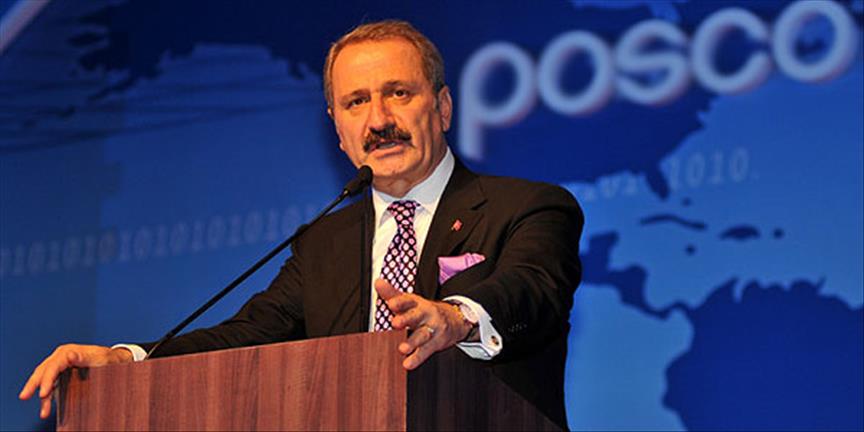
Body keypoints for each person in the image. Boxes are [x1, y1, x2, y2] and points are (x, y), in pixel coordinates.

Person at [19, 20, 583, 427]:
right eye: (356, 102)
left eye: (398, 93)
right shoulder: (324, 245)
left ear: (442, 108)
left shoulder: (529, 207)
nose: (379, 119)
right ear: (338, 130)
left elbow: (532, 290)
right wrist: (123, 361)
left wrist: (457, 318)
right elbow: (243, 338)